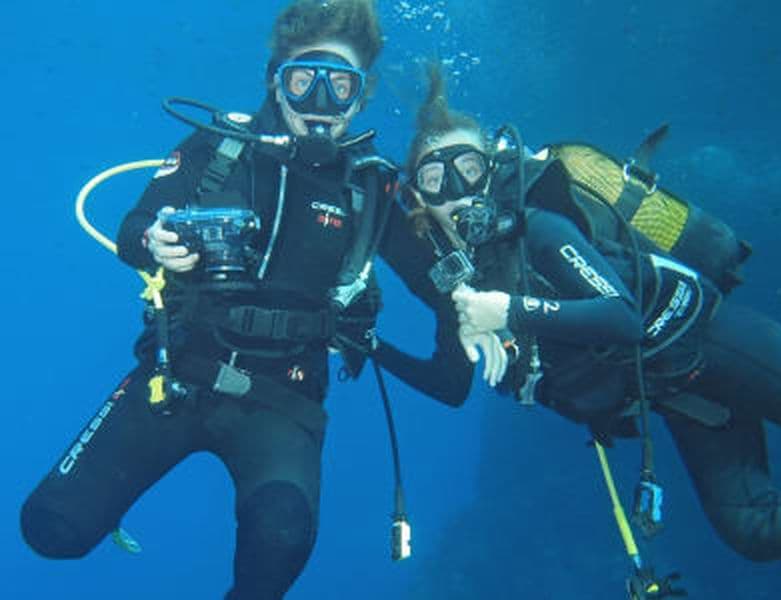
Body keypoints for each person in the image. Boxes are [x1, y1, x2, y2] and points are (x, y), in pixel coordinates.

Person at [19, 2, 456, 598]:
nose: (319, 104)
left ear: (361, 97)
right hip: (176, 377)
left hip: (286, 401)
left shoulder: (372, 188)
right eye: (303, 81)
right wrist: (154, 241)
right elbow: (132, 226)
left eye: (340, 86)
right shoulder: (218, 146)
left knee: (280, 547)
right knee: (50, 529)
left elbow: (442, 288)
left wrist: (486, 315)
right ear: (275, 82)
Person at [374, 64, 781, 565]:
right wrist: (369, 345)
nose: (457, 190)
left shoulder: (539, 228)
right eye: (434, 179)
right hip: (681, 395)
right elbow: (449, 386)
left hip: (711, 339)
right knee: (755, 530)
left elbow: (623, 319)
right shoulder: (465, 290)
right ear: (420, 202)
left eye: (467, 169)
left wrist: (507, 309)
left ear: (492, 171)